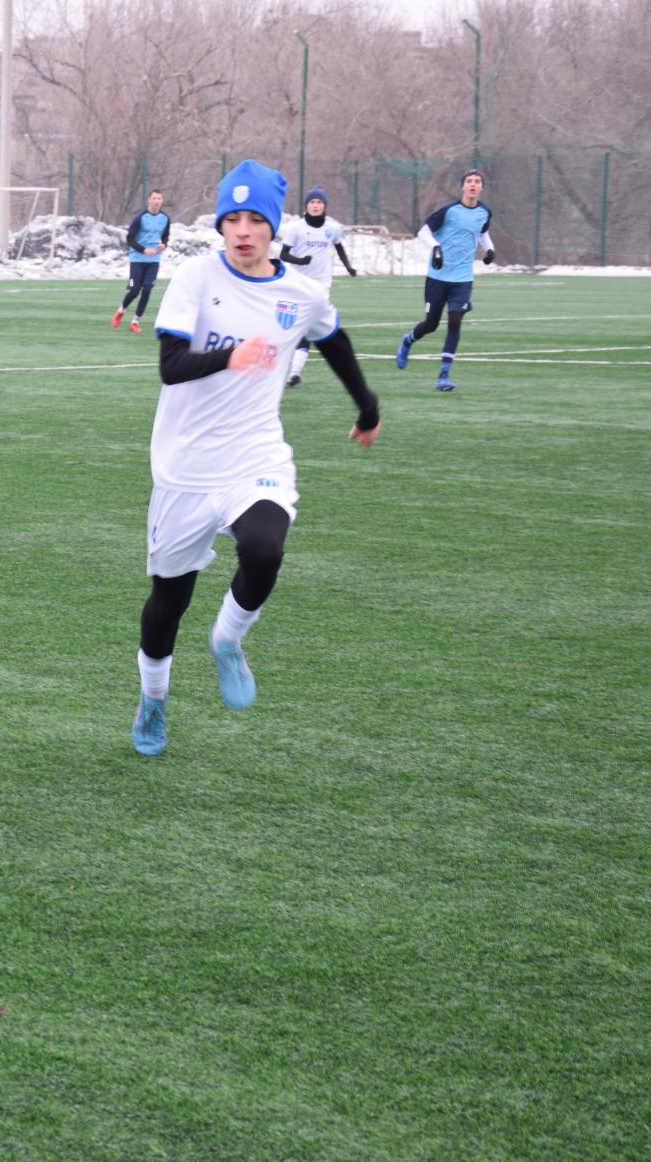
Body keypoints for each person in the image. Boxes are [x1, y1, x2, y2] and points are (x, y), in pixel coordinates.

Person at [131, 159, 381, 758]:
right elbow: (169, 366)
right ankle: (153, 701)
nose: (243, 230)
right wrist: (231, 356)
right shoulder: (195, 278)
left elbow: (334, 339)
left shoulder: (301, 293)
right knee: (170, 600)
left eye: (255, 219)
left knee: (265, 548)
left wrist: (367, 406)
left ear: (274, 226)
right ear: (221, 225)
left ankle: (228, 640)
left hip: (254, 453)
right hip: (185, 464)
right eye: (232, 219)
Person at [394, 169, 493, 391]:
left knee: (455, 320)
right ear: (463, 186)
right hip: (438, 277)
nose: (473, 185)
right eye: (469, 181)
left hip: (463, 279)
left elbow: (482, 233)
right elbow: (423, 232)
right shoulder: (449, 211)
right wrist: (436, 248)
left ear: (482, 187)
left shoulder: (484, 212)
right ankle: (408, 340)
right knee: (431, 324)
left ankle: (444, 376)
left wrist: (490, 250)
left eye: (477, 182)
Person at [276, 187, 357, 387]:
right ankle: (287, 369)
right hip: (297, 283)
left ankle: (294, 374)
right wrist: (301, 261)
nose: (315, 205)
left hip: (321, 285)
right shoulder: (296, 228)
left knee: (307, 326)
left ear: (324, 206)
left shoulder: (332, 228)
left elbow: (339, 247)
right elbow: (284, 255)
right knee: (292, 327)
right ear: (306, 206)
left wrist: (348, 267)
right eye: (312, 202)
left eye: (319, 202)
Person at [112, 189, 171, 332]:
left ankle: (135, 322)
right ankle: (121, 311)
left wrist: (164, 244)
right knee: (134, 290)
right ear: (149, 200)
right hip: (137, 258)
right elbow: (129, 238)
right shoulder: (141, 217)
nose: (157, 201)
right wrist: (143, 250)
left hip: (154, 260)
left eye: (159, 198)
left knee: (147, 290)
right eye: (154, 198)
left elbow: (165, 236)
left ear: (162, 201)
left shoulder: (165, 218)